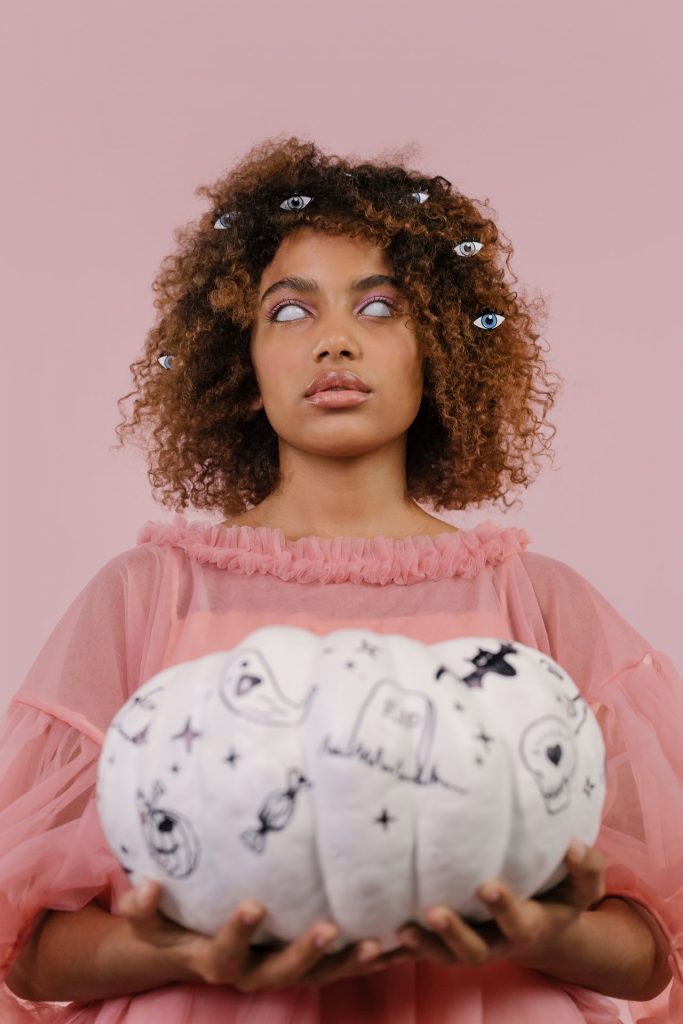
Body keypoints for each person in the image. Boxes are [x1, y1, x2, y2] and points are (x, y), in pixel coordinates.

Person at [1, 135, 681, 1024]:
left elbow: (650, 959)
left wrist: (543, 932)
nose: (333, 341)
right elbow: (29, 958)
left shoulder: (538, 601)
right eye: (289, 313)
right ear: (239, 363)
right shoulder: (146, 595)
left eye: (380, 307)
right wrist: (182, 947)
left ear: (437, 349)